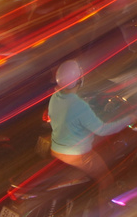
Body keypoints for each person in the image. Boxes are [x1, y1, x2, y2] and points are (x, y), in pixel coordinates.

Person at [47, 60, 126, 190]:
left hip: (56, 149)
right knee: (106, 180)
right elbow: (102, 130)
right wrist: (129, 119)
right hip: (77, 155)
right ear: (79, 80)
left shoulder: (55, 96)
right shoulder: (79, 105)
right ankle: (104, 209)